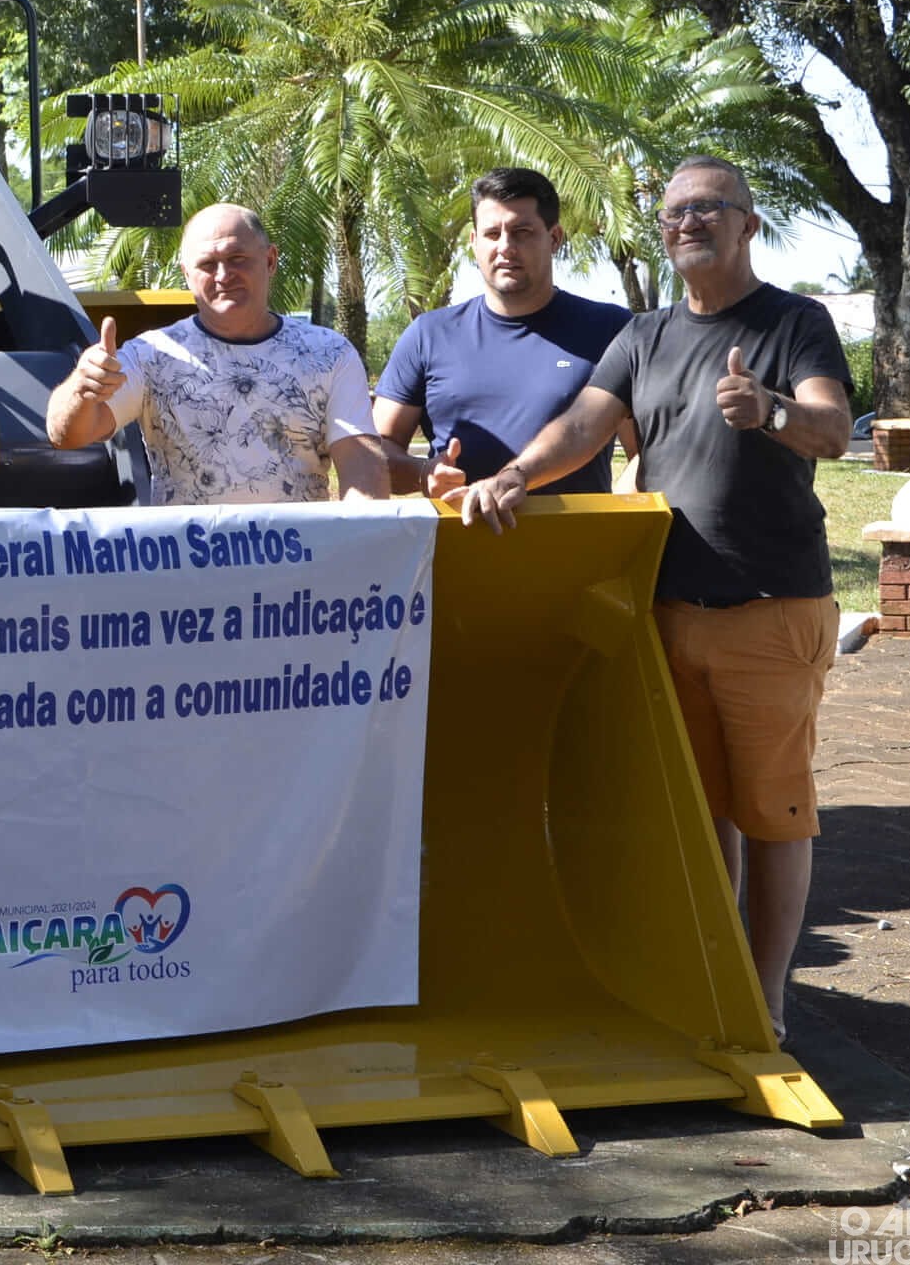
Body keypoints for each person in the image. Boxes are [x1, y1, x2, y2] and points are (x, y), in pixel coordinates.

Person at [451, 156, 852, 1041]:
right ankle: (716, 981)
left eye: (709, 209)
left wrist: (772, 412)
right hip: (670, 611)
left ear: (748, 224)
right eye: (673, 213)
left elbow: (835, 429)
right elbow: (585, 426)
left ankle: (769, 997)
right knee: (705, 807)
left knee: (776, 811)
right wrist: (516, 475)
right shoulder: (642, 334)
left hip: (770, 607)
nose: (688, 224)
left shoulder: (795, 321)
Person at [46, 203, 387, 503]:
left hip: (298, 569)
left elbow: (362, 465)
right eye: (208, 264)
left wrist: (360, 542)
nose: (223, 276)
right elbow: (66, 435)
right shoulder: (151, 355)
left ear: (270, 261)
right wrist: (82, 388)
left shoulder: (329, 354)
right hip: (187, 569)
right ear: (187, 275)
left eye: (237, 258)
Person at [374, 168, 634, 497]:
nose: (506, 247)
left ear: (554, 238)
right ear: (474, 242)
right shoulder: (428, 334)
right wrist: (423, 473)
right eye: (492, 233)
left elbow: (648, 450)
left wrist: (617, 518)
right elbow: (375, 450)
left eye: (522, 231)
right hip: (458, 543)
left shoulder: (609, 329)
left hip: (575, 543)